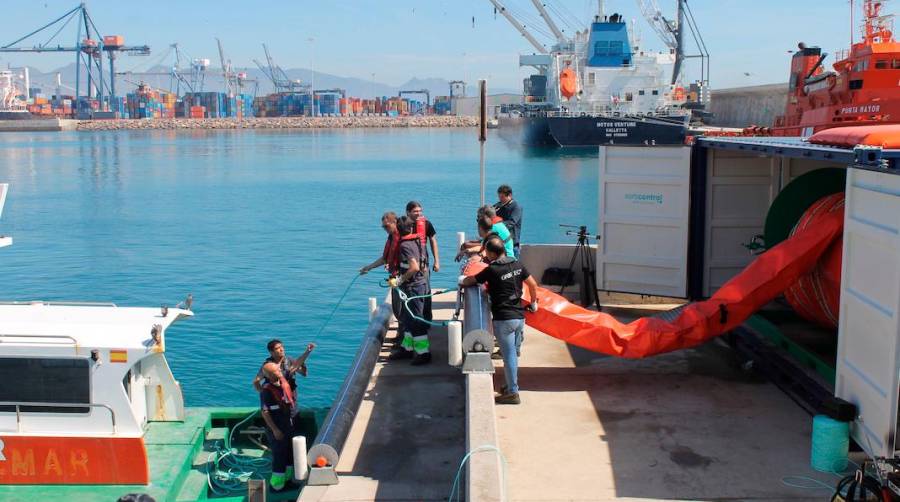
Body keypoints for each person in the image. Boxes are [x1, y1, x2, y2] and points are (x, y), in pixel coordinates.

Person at [459, 236, 538, 405]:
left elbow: (470, 281)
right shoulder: (517, 264)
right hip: (519, 318)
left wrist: (462, 281)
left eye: (487, 252)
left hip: (504, 320)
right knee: (514, 354)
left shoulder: (492, 270)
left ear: (492, 253)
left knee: (509, 357)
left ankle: (512, 392)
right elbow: (533, 285)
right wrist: (533, 302)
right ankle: (510, 386)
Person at [389, 215, 432, 365]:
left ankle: (423, 353)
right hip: (418, 284)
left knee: (416, 320)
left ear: (398, 231)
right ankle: (407, 348)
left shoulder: (405, 246)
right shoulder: (417, 241)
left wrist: (399, 280)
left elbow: (414, 267)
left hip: (414, 287)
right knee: (408, 320)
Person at [360, 212, 406, 347]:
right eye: (383, 227)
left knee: (402, 310)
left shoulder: (401, 237)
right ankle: (401, 336)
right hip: (394, 277)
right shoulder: (391, 237)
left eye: (386, 226)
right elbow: (385, 258)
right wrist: (368, 267)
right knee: (397, 310)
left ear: (395, 222)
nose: (385, 229)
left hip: (402, 277)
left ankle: (404, 341)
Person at [259, 362, 297, 492]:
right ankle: (276, 486)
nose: (280, 370)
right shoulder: (266, 391)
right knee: (279, 456)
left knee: (288, 455)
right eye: (276, 370)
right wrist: (275, 430)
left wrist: (308, 351)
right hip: (278, 428)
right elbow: (265, 412)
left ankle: (287, 481)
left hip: (287, 425)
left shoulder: (282, 380)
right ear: (269, 375)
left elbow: (296, 366)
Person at [406, 201, 439, 322]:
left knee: (426, 291)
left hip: (423, 264)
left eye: (420, 211)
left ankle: (427, 320)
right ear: (408, 212)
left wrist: (437, 261)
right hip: (407, 265)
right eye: (415, 211)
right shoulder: (403, 225)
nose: (418, 213)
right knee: (407, 293)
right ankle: (406, 323)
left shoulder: (426, 224)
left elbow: (433, 241)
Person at [494, 185, 523, 257]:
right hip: (500, 243)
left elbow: (511, 222)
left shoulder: (516, 207)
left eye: (502, 197)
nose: (500, 199)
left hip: (512, 244)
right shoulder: (498, 206)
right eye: (499, 197)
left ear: (509, 195)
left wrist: (496, 227)